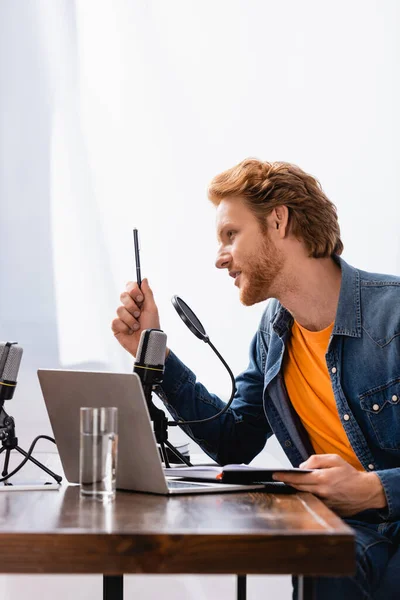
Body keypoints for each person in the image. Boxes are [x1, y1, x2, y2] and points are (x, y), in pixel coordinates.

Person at [111, 159, 400, 599]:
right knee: (323, 559)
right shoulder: (274, 332)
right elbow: (233, 439)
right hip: (347, 535)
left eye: (231, 234)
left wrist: (373, 489)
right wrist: (154, 351)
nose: (219, 257)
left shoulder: (394, 315)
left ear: (279, 220)